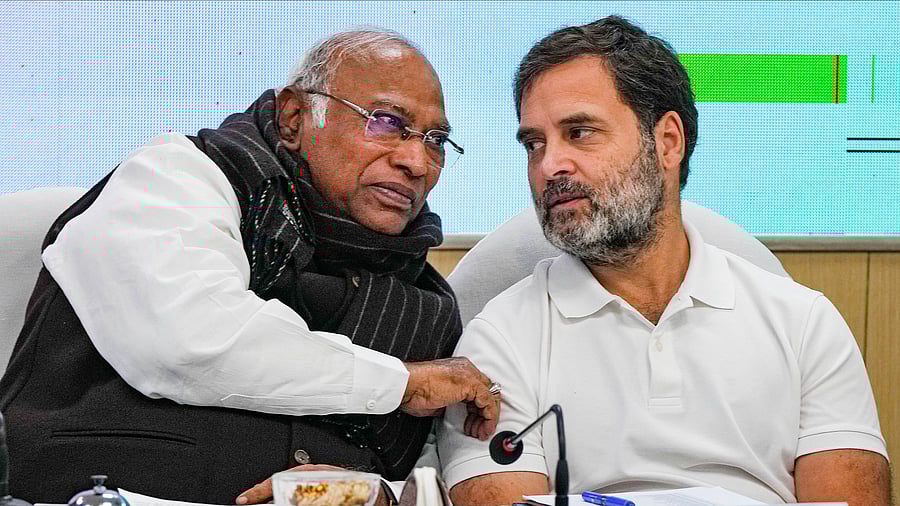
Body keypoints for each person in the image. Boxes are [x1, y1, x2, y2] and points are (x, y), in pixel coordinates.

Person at [0, 28, 500, 503]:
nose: (416, 161)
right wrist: (401, 382)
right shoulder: (176, 176)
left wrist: (368, 491)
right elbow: (189, 341)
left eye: (435, 140)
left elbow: (433, 475)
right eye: (387, 122)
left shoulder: (424, 299)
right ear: (293, 117)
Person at [438, 16, 892, 506]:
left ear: (668, 141)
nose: (549, 166)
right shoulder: (499, 339)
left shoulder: (805, 324)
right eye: (534, 144)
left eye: (581, 131)